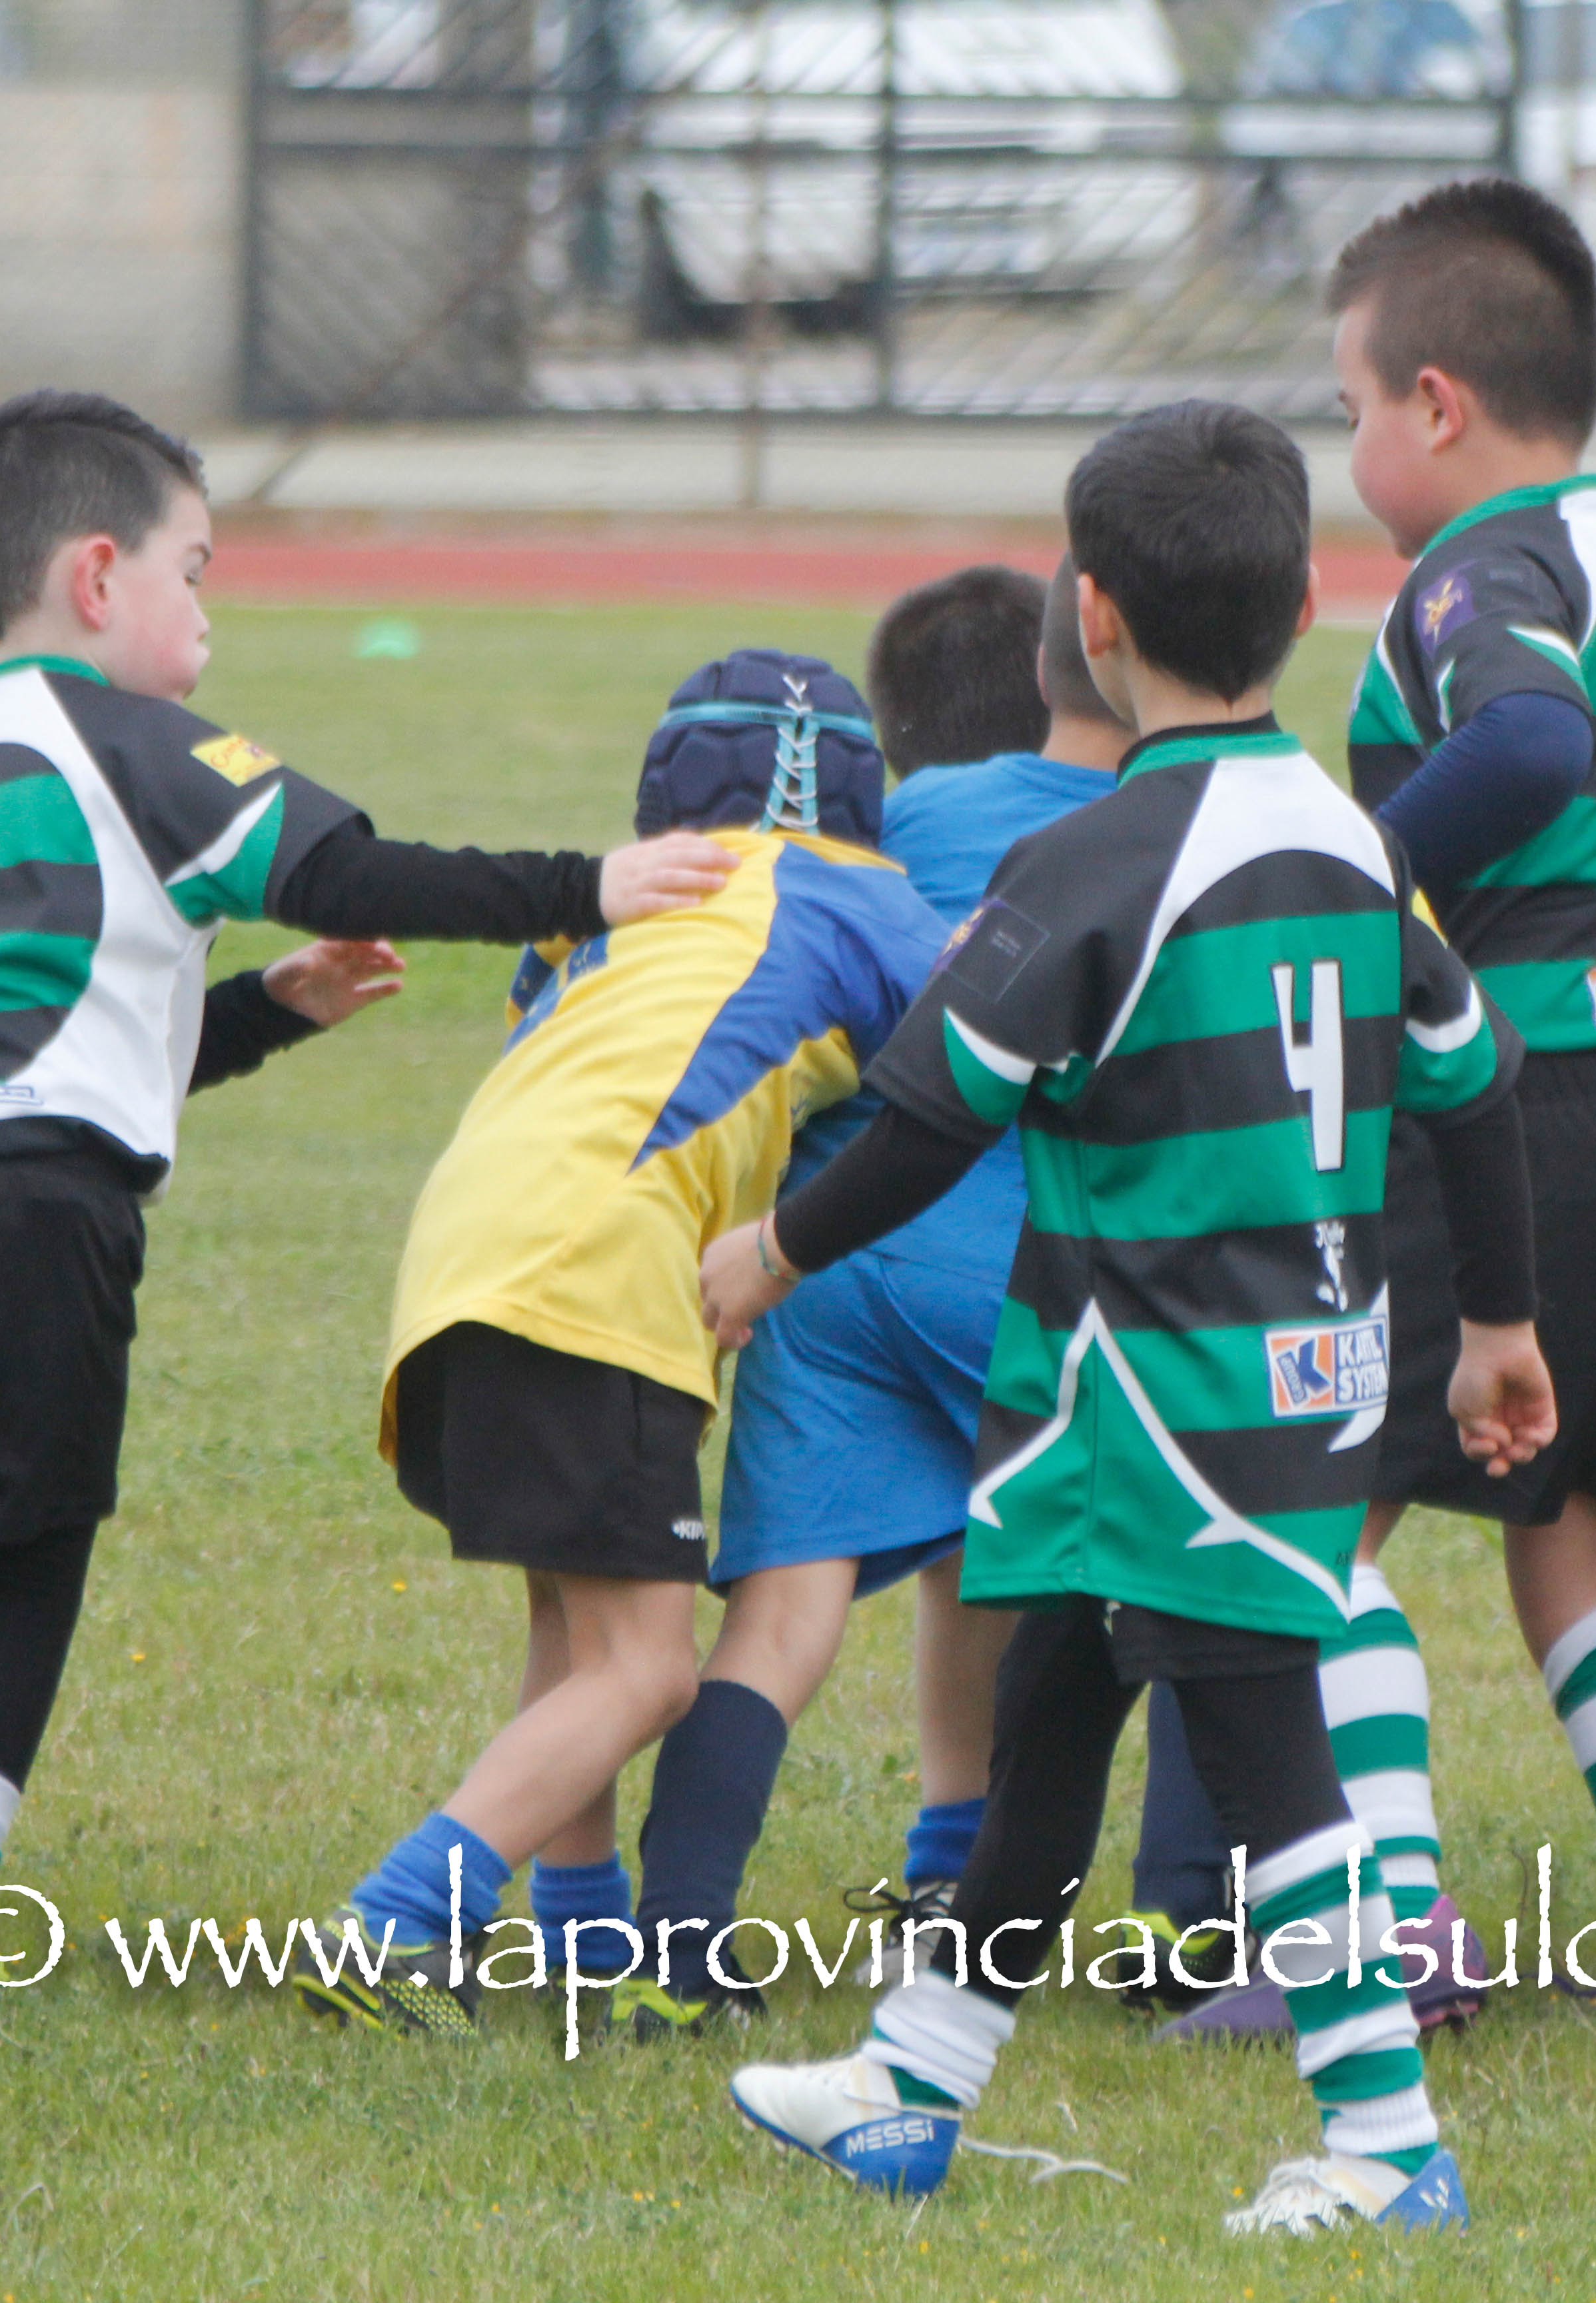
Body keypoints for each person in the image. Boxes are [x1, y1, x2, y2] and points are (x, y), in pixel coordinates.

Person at [0, 390, 735, 1990]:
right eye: (194, 573)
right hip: (31, 1212)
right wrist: (587, 884)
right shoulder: (139, 742)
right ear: (96, 575)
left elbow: (53, 1037)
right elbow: (345, 869)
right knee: (22, 1547)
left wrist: (271, 1009)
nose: (207, 615)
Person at [714, 400, 1549, 2237]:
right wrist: (1497, 1323)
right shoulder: (1354, 838)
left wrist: (771, 1250)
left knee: (1268, 1763)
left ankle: (1388, 2142)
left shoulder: (1098, 859)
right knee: (1050, 1716)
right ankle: (912, 2084)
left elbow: (931, 1113)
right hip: (1257, 1382)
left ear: (1088, 617)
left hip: (1169, 1401)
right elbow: (1475, 1080)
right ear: (1308, 606)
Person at [1148, 175, 1596, 2039]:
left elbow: (1524, 739)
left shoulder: (1475, 574)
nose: (1346, 449)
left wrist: (1347, 884)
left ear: (1435, 403)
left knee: (1323, 1512)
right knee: (1582, 1529)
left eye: (1348, 407)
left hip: (1513, 1104)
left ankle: (1386, 1933)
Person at [291, 646, 951, 2038]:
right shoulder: (857, 893)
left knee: (578, 1628)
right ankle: (393, 1924)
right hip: (602, 1262)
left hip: (469, 1242)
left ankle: (583, 1939)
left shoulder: (600, 913)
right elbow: (982, 1030)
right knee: (649, 1671)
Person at [607, 567, 1121, 2040]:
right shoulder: (1133, 821)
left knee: (783, 1624)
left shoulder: (900, 818)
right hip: (1014, 1257)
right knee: (1153, 1582)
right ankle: (1179, 1909)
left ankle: (680, 1942)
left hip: (820, 1253)